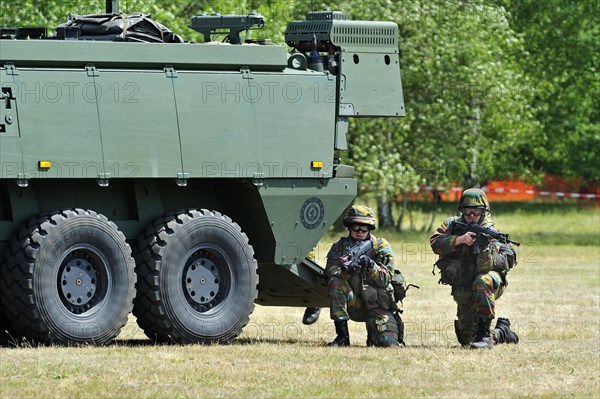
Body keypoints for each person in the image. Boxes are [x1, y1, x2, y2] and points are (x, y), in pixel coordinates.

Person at [430, 188, 519, 349]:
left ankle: (485, 334)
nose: (471, 215)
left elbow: (485, 269)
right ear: (461, 210)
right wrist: (458, 240)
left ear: (484, 211)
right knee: (467, 339)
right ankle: (502, 332)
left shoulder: (489, 232)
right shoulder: (452, 224)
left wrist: (484, 247)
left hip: (490, 283)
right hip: (464, 283)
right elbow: (435, 243)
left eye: (476, 211)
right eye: (467, 210)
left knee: (482, 280)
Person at [325, 205, 402, 347]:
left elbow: (385, 280)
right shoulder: (339, 247)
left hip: (378, 306)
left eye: (364, 228)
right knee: (335, 282)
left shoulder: (380, 246)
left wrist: (371, 265)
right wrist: (347, 272)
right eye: (356, 227)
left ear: (370, 228)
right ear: (349, 227)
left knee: (387, 344)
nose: (360, 231)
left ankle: (374, 334)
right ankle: (342, 336)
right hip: (354, 304)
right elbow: (330, 271)